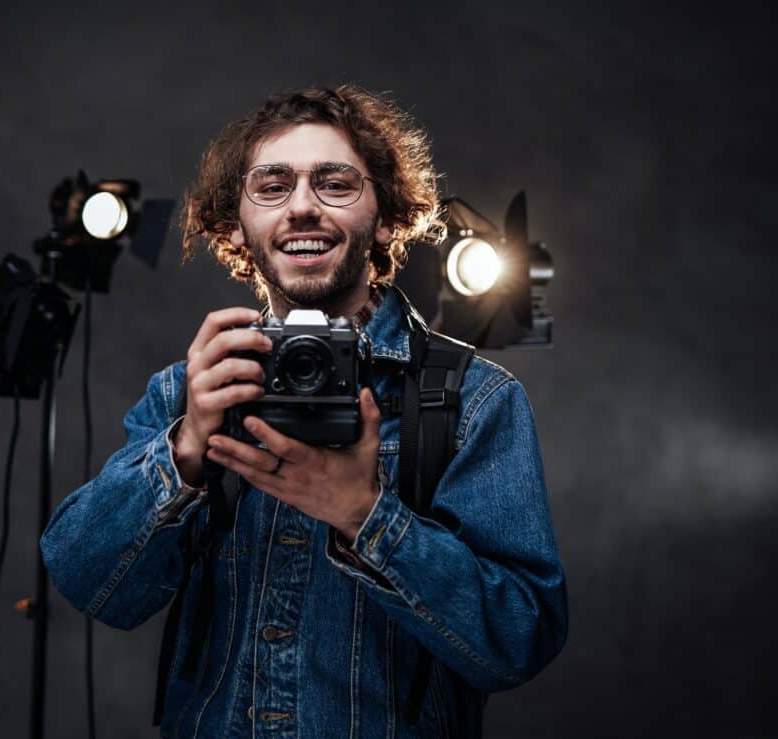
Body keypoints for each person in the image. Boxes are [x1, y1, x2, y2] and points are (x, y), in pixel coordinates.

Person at [41, 85, 568, 738]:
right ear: (236, 223)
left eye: (335, 184)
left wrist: (366, 517)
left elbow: (520, 638)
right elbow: (89, 585)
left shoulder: (472, 400)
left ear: (384, 216)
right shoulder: (190, 390)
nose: (302, 208)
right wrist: (184, 451)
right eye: (271, 186)